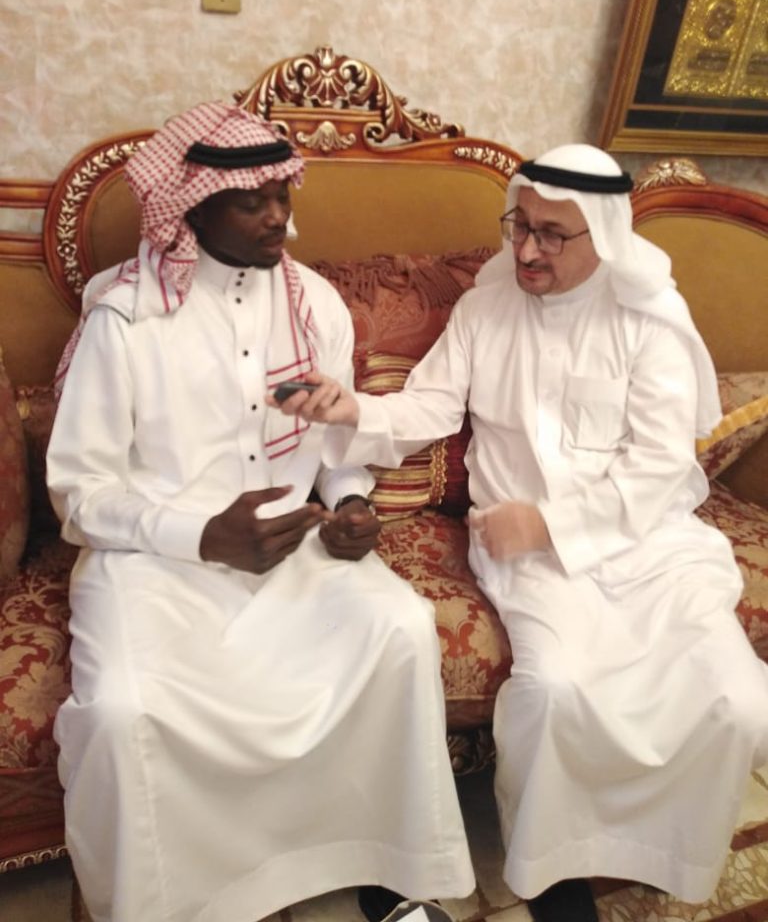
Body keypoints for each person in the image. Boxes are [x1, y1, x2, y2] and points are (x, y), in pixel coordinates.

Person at [276, 144, 768, 922]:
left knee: (734, 700)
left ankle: (664, 851)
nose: (528, 250)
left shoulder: (650, 323)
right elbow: (431, 405)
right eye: (520, 226)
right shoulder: (488, 307)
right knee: (555, 691)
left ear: (603, 235)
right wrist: (354, 409)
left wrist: (550, 521)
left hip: (648, 547)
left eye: (552, 235)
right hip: (528, 557)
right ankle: (553, 870)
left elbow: (657, 469)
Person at [46, 101, 475, 922]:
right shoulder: (127, 319)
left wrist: (350, 506)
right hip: (152, 562)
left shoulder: (315, 305)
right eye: (253, 201)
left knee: (400, 628)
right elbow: (80, 492)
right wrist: (202, 535)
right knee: (123, 712)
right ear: (194, 209)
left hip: (291, 548)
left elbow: (336, 447)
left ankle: (390, 879)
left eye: (283, 193)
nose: (279, 215)